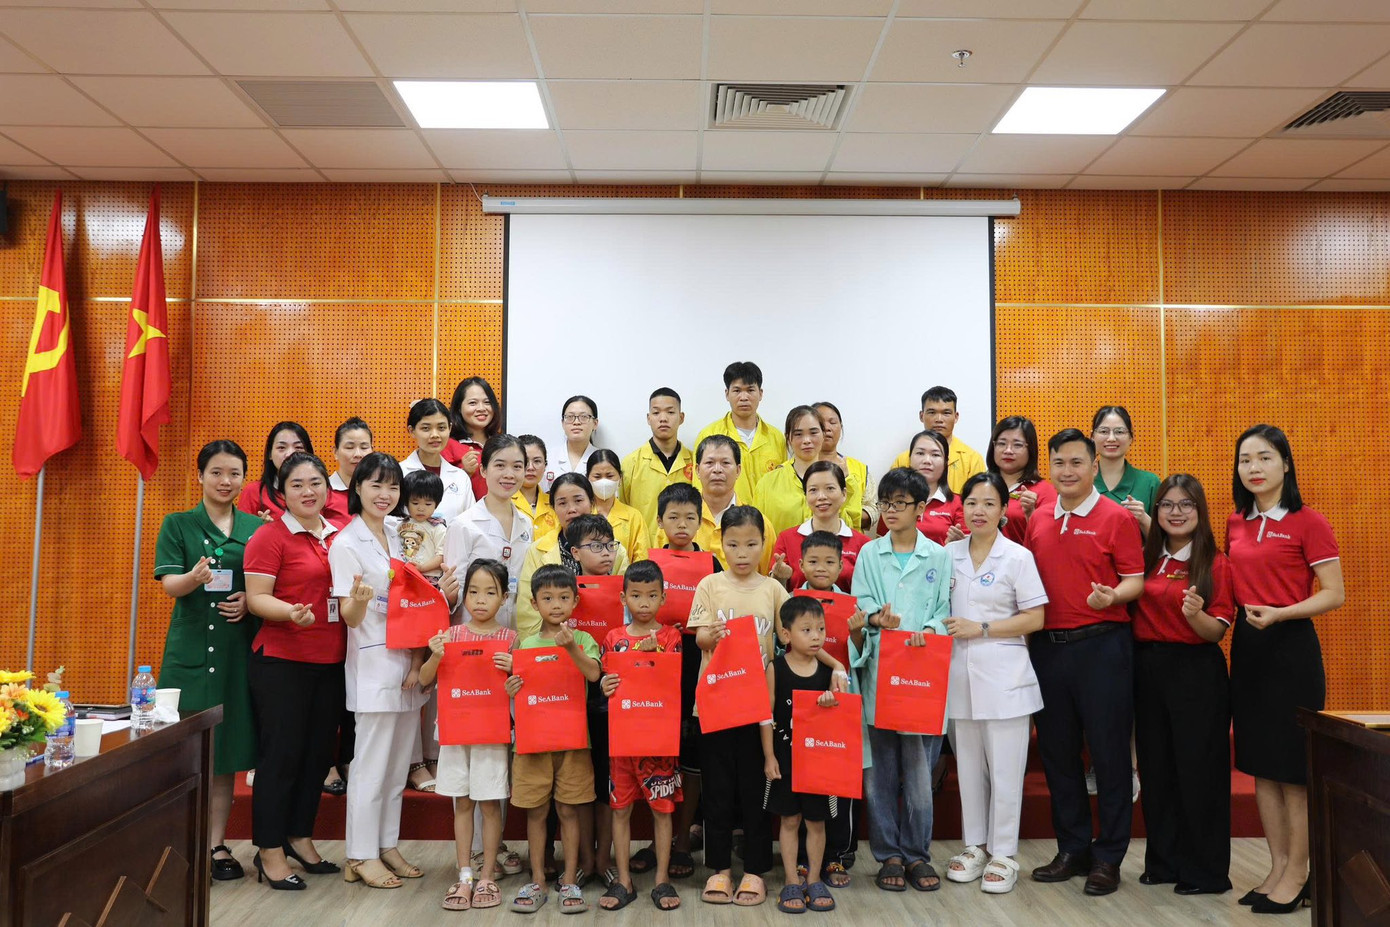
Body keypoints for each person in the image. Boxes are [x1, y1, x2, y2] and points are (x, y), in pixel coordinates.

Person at [688, 507, 848, 907]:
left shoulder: (774, 590)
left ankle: (756, 871)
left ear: (764, 544)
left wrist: (835, 664)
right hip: (715, 705)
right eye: (733, 544)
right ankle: (720, 870)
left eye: (751, 544)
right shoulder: (709, 584)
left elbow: (798, 635)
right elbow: (699, 639)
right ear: (721, 544)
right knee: (718, 792)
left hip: (759, 707)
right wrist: (712, 635)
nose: (742, 553)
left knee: (755, 792)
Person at [1227, 425, 1343, 914]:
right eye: (1245, 459)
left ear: (1285, 464)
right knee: (1261, 766)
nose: (1254, 468)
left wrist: (1281, 613)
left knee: (1293, 770)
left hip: (1291, 649)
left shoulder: (1307, 521)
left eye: (1265, 457)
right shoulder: (1236, 522)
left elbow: (1334, 593)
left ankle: (1300, 872)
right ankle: (1277, 868)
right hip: (1247, 648)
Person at [1024, 429, 1145, 897]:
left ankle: (1109, 856)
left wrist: (1112, 595)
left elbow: (1135, 579)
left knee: (1110, 755)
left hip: (1103, 647)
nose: (1067, 471)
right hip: (1048, 649)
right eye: (1059, 463)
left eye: (1077, 462)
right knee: (1058, 754)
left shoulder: (1116, 517)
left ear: (1094, 465)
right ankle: (1072, 848)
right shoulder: (1039, 518)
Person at [154, 440, 263, 881]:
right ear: (200, 475)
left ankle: (215, 845)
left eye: (234, 473)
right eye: (216, 472)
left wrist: (249, 600)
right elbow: (170, 585)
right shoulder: (178, 524)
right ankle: (180, 843)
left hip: (237, 654)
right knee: (185, 753)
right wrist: (193, 578)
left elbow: (267, 585)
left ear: (244, 479)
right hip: (191, 653)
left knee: (225, 755)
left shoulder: (257, 527)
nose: (225, 481)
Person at [329, 452, 436, 890]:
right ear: (357, 487)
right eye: (375, 484)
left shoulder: (400, 533)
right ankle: (360, 853)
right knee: (370, 766)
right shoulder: (346, 543)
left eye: (392, 486)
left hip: (410, 662)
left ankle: (387, 844)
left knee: (396, 767)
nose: (385, 494)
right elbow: (350, 617)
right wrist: (358, 599)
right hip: (374, 664)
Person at [243, 452, 345, 891]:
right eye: (297, 484)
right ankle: (269, 850)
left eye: (316, 482)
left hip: (332, 660)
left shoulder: (337, 534)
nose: (308, 491)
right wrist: (290, 612)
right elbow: (256, 598)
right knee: (281, 757)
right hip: (282, 662)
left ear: (328, 488)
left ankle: (299, 836)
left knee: (317, 756)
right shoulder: (269, 536)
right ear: (281, 492)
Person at [941, 472, 1047, 895]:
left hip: (1005, 679)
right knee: (968, 769)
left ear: (1004, 509)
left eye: (989, 503)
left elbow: (1035, 618)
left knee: (1005, 771)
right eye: (971, 503)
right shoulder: (946, 555)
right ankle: (974, 846)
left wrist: (981, 628)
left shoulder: (1017, 557)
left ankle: (1003, 853)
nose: (979, 511)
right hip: (957, 677)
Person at [1131, 474, 1235, 897]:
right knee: (1157, 768)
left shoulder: (1214, 562)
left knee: (1199, 770)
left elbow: (1216, 632)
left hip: (1196, 672)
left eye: (1186, 504)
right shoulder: (1148, 557)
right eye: (1167, 505)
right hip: (1148, 669)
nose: (1176, 512)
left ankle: (1205, 871)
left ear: (1200, 510)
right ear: (1156, 511)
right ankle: (1164, 861)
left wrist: (1195, 615)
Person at [850, 467, 951, 894]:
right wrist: (877, 619)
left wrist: (928, 630)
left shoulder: (939, 556)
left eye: (900, 504)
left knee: (919, 774)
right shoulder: (870, 554)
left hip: (921, 678)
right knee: (879, 774)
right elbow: (860, 604)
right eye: (885, 503)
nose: (890, 511)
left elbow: (944, 611)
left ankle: (916, 854)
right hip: (880, 673)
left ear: (921, 507)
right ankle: (888, 854)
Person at [420, 559, 518, 912]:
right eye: (473, 591)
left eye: (490, 592)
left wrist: (514, 671)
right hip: (456, 732)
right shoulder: (451, 636)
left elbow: (519, 690)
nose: (480, 600)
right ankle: (464, 874)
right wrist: (435, 655)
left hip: (491, 734)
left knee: (490, 804)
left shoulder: (510, 640)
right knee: (461, 803)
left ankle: (487, 875)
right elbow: (425, 679)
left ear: (504, 598)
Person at [506, 565, 603, 914]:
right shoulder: (525, 644)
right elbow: (518, 694)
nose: (556, 605)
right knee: (536, 812)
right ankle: (538, 880)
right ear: (534, 603)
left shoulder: (584, 640)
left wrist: (571, 647)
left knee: (569, 810)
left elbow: (593, 673)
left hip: (573, 741)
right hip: (533, 742)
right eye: (547, 598)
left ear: (575, 601)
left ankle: (570, 880)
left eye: (563, 597)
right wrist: (511, 688)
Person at [596, 560, 685, 912]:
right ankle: (624, 880)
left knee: (662, 810)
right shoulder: (612, 638)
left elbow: (673, 682)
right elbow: (607, 683)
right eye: (636, 595)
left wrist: (655, 655)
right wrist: (604, 686)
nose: (644, 603)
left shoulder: (671, 637)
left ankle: (662, 879)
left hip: (658, 741)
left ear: (663, 597)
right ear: (623, 598)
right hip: (622, 741)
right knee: (620, 809)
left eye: (651, 595)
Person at [647, 481, 720, 882]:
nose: (681, 524)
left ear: (700, 522)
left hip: (698, 668)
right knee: (659, 754)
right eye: (673, 517)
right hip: (657, 673)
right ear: (659, 521)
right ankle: (658, 838)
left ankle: (682, 841)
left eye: (690, 517)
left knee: (693, 758)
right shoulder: (649, 564)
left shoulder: (713, 565)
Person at [789, 530, 865, 889]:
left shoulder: (850, 604)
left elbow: (858, 656)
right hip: (802, 700)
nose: (821, 568)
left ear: (841, 566)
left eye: (830, 561)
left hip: (839, 701)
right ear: (801, 564)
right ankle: (804, 858)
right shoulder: (791, 601)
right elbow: (785, 645)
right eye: (814, 561)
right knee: (805, 781)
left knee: (837, 779)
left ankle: (837, 853)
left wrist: (857, 633)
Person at [764, 596, 841, 914]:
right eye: (806, 630)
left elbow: (842, 714)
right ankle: (791, 879)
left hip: (818, 761)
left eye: (820, 629)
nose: (816, 636)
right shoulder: (776, 668)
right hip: (785, 758)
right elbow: (765, 716)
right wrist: (769, 756)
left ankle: (814, 879)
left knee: (816, 821)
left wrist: (833, 700)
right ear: (786, 634)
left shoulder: (828, 671)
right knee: (790, 819)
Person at [515, 473, 631, 641]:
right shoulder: (538, 550)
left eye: (578, 500)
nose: (571, 509)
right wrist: (542, 646)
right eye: (562, 503)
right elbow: (528, 612)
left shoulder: (615, 550)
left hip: (608, 640)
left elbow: (625, 604)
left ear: (592, 503)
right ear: (553, 508)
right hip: (555, 644)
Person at [445, 434, 534, 632]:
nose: (509, 474)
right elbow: (455, 591)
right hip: (473, 635)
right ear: (483, 470)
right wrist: (449, 595)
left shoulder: (526, 523)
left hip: (515, 634)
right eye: (500, 465)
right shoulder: (463, 525)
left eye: (517, 466)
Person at [653, 435, 773, 574]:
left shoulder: (759, 523)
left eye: (725, 463)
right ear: (697, 470)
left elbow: (766, 578)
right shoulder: (674, 521)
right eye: (709, 463)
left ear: (738, 470)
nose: (717, 469)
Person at [769, 460, 870, 593]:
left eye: (830, 488)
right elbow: (775, 593)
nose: (821, 496)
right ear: (806, 496)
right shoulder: (787, 538)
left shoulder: (864, 544)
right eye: (813, 490)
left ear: (844, 494)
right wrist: (779, 576)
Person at [696, 361, 786, 504]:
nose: (744, 397)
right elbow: (699, 486)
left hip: (769, 515)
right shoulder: (708, 435)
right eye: (737, 391)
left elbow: (783, 484)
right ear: (727, 394)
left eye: (750, 390)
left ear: (760, 394)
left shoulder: (776, 437)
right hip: (728, 516)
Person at [621, 388, 695, 530]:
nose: (663, 418)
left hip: (686, 543)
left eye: (670, 412)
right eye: (656, 413)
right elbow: (624, 513)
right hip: (644, 543)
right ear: (648, 418)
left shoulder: (695, 462)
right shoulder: (631, 463)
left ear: (681, 417)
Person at [890, 387, 985, 493]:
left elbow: (979, 499)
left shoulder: (972, 460)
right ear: (921, 416)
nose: (939, 419)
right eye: (932, 412)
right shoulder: (903, 460)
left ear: (956, 417)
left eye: (946, 413)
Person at [400, 398, 475, 525]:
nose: (435, 435)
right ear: (411, 431)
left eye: (441, 428)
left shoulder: (461, 478)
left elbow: (470, 524)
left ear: (450, 428)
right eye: (426, 428)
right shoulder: (399, 473)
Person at [754, 405, 826, 536]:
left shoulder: (836, 480)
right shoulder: (767, 483)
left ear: (823, 434)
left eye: (813, 433)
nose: (806, 440)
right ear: (788, 438)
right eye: (798, 434)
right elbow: (756, 531)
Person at [1092, 406, 1161, 535]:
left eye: (1119, 432)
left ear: (1131, 438)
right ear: (1092, 437)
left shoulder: (1150, 482)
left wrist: (1143, 519)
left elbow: (1164, 541)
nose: (1111, 438)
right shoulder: (1081, 482)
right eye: (1104, 431)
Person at [986, 416, 1055, 544]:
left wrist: (1032, 514)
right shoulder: (981, 485)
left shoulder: (1045, 491)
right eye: (1001, 443)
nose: (1008, 450)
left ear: (1030, 449)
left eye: (1017, 445)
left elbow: (1050, 540)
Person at [813, 400, 876, 533]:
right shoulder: (794, 468)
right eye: (820, 422)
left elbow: (873, 508)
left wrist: (846, 517)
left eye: (832, 422)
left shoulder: (859, 468)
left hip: (849, 540)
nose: (827, 428)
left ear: (841, 427)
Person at [238, 421, 313, 522]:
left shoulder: (320, 491)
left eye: (298, 447)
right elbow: (242, 529)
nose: (289, 454)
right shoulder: (253, 492)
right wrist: (258, 528)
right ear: (270, 454)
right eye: (281, 447)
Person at [587, 449, 651, 562]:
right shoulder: (582, 513)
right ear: (587, 478)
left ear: (620, 478)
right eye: (597, 476)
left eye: (609, 476)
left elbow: (642, 560)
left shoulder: (633, 517)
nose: (604, 481)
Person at [445, 376, 502, 501]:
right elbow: (438, 493)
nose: (481, 408)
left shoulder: (502, 444)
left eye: (487, 402)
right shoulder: (448, 445)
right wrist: (465, 472)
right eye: (472, 403)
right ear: (459, 408)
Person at [904, 430, 964, 546]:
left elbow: (969, 549)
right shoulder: (894, 500)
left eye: (935, 455)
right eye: (920, 453)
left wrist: (955, 546)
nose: (927, 461)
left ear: (946, 462)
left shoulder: (959, 504)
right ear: (909, 458)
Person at [398, 470, 446, 582]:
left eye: (428, 504)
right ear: (406, 502)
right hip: (405, 577)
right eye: (415, 503)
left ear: (437, 504)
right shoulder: (400, 524)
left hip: (429, 579)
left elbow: (442, 555)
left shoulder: (438, 528)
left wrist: (423, 568)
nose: (421, 508)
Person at [545, 395, 600, 491]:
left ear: (595, 423)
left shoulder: (602, 459)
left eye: (584, 417)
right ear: (563, 423)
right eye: (570, 417)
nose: (576, 422)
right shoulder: (547, 458)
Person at [325, 417, 373, 527]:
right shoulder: (323, 491)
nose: (358, 454)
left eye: (364, 447)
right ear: (335, 452)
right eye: (349, 447)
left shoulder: (378, 491)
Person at [513, 434, 558, 541]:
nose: (530, 468)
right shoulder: (503, 502)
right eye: (525, 461)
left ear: (545, 465)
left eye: (537, 461)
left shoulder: (555, 504)